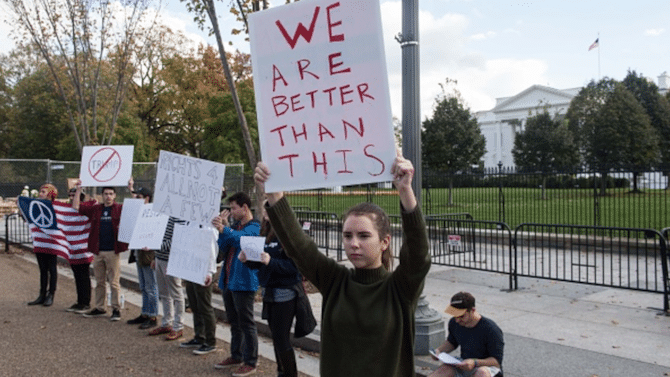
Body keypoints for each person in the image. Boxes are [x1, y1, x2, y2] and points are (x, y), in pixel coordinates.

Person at [254, 151, 431, 377]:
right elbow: (299, 245)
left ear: (385, 242)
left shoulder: (400, 289)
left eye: (364, 236)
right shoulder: (335, 280)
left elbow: (418, 253)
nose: (353, 244)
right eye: (347, 236)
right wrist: (274, 192)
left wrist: (405, 189)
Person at [237, 205, 302, 377]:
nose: (265, 213)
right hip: (269, 291)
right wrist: (247, 260)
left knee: (282, 338)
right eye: (264, 209)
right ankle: (281, 371)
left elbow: (294, 268)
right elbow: (259, 262)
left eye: (269, 209)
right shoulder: (264, 233)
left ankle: (289, 374)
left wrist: (270, 261)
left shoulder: (287, 235)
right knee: (276, 338)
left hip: (285, 293)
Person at [211, 192, 260, 376]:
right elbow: (224, 246)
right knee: (234, 321)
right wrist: (222, 230)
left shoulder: (255, 226)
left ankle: (251, 360)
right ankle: (236, 354)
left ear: (245, 208)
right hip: (229, 280)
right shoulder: (236, 226)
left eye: (233, 208)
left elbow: (242, 240)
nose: (230, 212)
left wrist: (225, 230)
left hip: (244, 282)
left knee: (247, 323)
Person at [72, 181, 128, 321]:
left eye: (110, 194)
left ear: (115, 195)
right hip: (98, 251)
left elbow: (138, 209)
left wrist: (131, 189)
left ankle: (116, 309)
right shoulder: (96, 209)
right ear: (102, 195)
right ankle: (100, 307)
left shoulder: (120, 208)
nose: (108, 196)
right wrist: (78, 190)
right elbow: (76, 207)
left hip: (112, 251)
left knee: (114, 282)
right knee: (99, 281)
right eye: (106, 194)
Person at [429, 292, 504, 377]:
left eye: (461, 316)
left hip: (487, 367)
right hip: (464, 364)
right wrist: (438, 351)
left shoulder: (491, 329)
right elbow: (452, 342)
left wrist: (474, 362)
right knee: (443, 370)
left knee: (481, 373)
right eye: (455, 316)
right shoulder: (454, 323)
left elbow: (496, 361)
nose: (457, 320)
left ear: (472, 310)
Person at [179, 225, 219, 356]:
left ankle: (210, 341)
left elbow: (212, 250)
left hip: (203, 269)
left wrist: (209, 272)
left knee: (204, 306)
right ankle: (199, 336)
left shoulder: (209, 227)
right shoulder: (190, 224)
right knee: (195, 304)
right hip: (191, 266)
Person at [147, 215, 187, 341]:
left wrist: (155, 246)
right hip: (160, 258)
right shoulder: (163, 215)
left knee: (176, 293)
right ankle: (166, 323)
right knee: (164, 293)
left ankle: (178, 326)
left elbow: (177, 241)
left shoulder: (180, 218)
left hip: (172, 260)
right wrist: (155, 256)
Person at [125, 184, 159, 330]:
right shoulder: (139, 211)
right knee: (143, 286)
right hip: (139, 252)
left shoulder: (154, 212)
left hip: (149, 254)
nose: (136, 199)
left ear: (147, 198)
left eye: (139, 197)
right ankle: (145, 313)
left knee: (151, 286)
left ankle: (153, 315)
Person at [27, 184, 60, 307]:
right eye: (40, 191)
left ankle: (51, 294)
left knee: (52, 269)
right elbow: (27, 218)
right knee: (42, 269)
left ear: (50, 194)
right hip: (40, 241)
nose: (40, 194)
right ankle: (42, 294)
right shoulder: (35, 206)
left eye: (43, 192)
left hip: (51, 242)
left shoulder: (55, 206)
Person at [65, 188, 94, 314]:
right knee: (77, 277)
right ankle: (80, 301)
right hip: (71, 248)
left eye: (74, 195)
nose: (72, 197)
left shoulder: (86, 208)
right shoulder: (66, 209)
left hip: (83, 248)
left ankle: (85, 302)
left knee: (83, 276)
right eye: (70, 195)